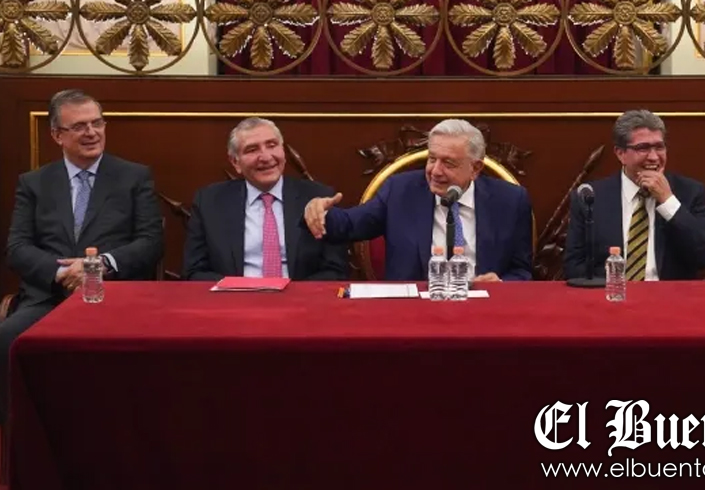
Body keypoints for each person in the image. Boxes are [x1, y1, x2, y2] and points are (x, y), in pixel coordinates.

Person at [1, 89, 164, 421]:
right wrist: (63, 273)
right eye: (79, 126)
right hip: (48, 297)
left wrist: (98, 266)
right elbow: (17, 247)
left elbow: (151, 242)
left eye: (97, 123)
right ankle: (18, 439)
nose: (91, 132)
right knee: (7, 337)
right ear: (57, 135)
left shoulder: (134, 177)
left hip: (116, 297)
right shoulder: (34, 183)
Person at [303, 119, 533, 281]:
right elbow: (348, 225)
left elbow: (522, 271)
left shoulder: (511, 201)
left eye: (448, 163)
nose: (435, 171)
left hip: (482, 312)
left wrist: (501, 285)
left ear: (475, 168)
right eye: (432, 159)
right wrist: (319, 212)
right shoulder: (400, 191)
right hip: (413, 312)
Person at [182, 117, 349, 281]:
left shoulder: (317, 196)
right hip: (235, 296)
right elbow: (194, 271)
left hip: (299, 296)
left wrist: (294, 294)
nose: (266, 157)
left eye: (272, 145)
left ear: (283, 151)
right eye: (252, 150)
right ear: (235, 163)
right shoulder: (209, 202)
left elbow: (336, 270)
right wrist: (238, 290)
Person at [564, 109, 705, 281]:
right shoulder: (591, 197)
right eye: (643, 148)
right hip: (610, 292)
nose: (654, 157)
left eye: (659, 147)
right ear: (620, 154)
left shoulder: (689, 192)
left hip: (669, 295)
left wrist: (667, 201)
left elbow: (704, 258)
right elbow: (574, 267)